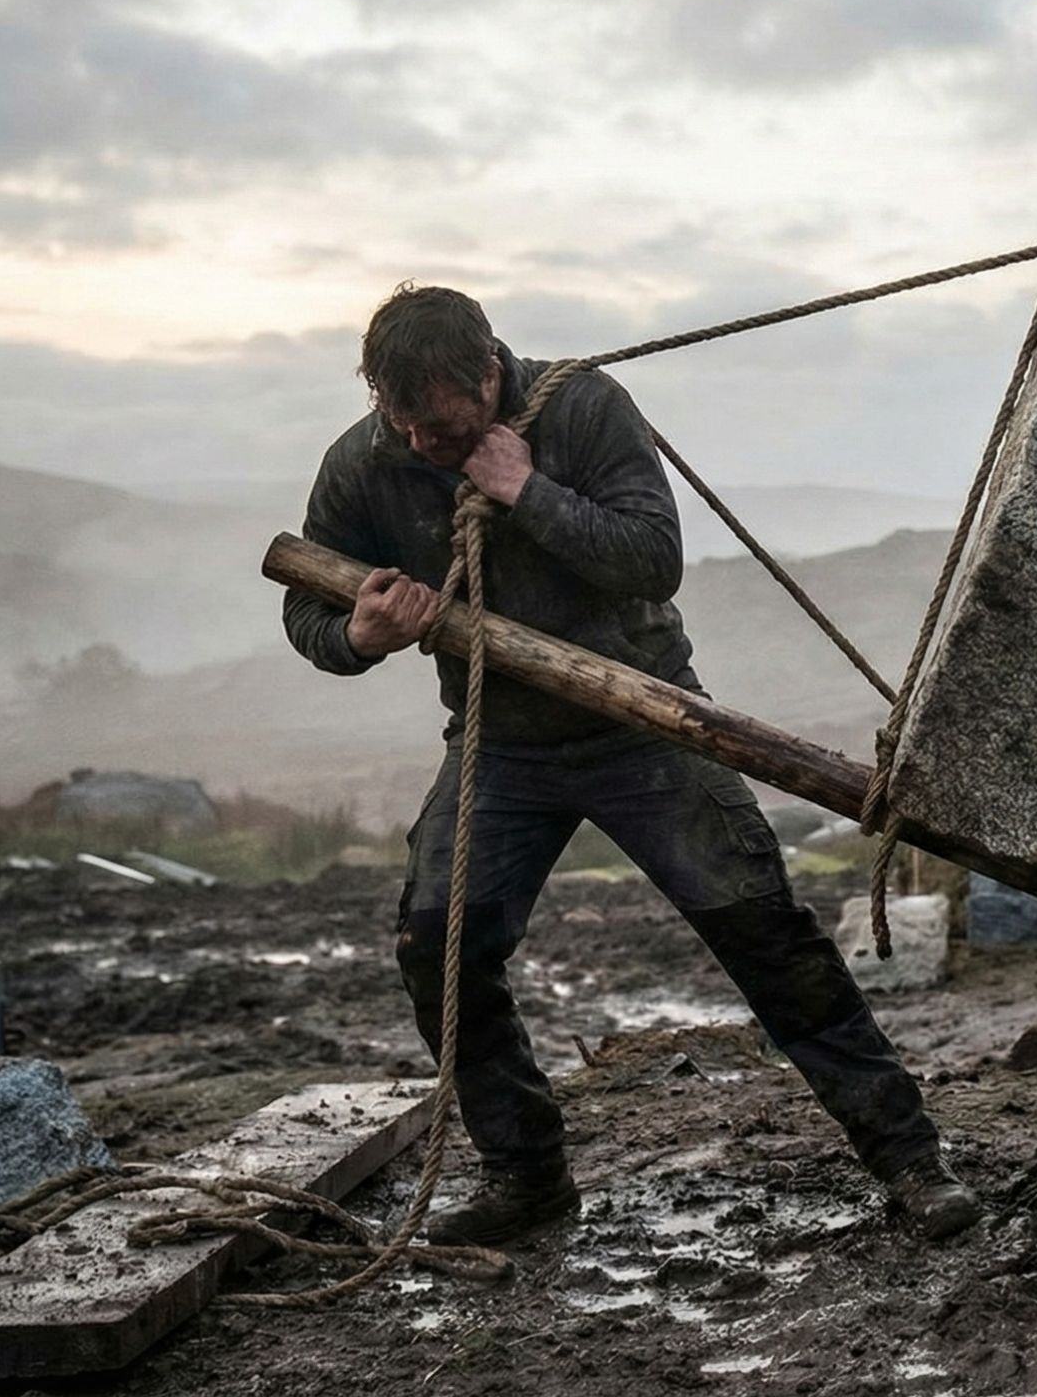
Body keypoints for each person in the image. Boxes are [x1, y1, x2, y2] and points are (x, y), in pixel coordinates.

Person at [279, 283, 976, 1246]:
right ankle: (528, 1181)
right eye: (402, 427)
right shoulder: (363, 462)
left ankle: (911, 1161)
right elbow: (308, 609)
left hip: (645, 724)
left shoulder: (584, 407)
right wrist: (357, 634)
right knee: (437, 942)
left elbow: (653, 559)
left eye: (441, 430)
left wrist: (527, 490)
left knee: (768, 937)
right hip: (502, 746)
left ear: (488, 373)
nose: (421, 449)